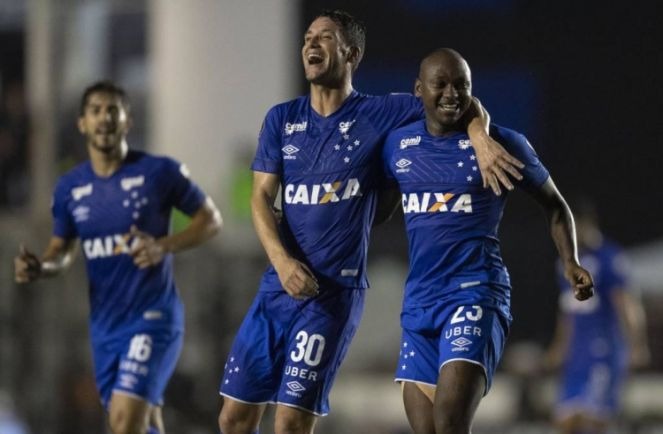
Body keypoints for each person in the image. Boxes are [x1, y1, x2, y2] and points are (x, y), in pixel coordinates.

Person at [217, 10, 525, 434]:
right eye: (308, 36)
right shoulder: (282, 119)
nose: (311, 43)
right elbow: (260, 198)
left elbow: (454, 98)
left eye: (325, 37)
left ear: (352, 54)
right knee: (232, 419)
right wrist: (283, 263)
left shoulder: (385, 113)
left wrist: (479, 137)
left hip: (331, 295)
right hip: (277, 287)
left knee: (288, 424)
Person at [381, 48, 595, 434]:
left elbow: (555, 205)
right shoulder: (398, 146)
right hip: (419, 304)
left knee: (450, 421)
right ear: (418, 90)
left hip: (475, 293)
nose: (451, 93)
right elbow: (376, 207)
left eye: (461, 84)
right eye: (440, 84)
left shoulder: (502, 143)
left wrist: (570, 261)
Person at [14, 81, 222, 434]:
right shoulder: (69, 188)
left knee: (126, 422)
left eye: (113, 110)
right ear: (82, 123)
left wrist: (163, 245)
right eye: (95, 111)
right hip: (106, 327)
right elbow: (61, 251)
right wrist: (41, 266)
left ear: (128, 120)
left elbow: (211, 220)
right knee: (135, 423)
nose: (104, 118)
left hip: (152, 318)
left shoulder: (159, 172)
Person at [544, 198, 649, 434]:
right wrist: (560, 347)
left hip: (603, 350)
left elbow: (626, 303)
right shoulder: (566, 264)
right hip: (577, 355)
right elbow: (568, 310)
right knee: (565, 421)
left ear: (585, 224)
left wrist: (636, 344)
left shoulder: (609, 257)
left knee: (593, 420)